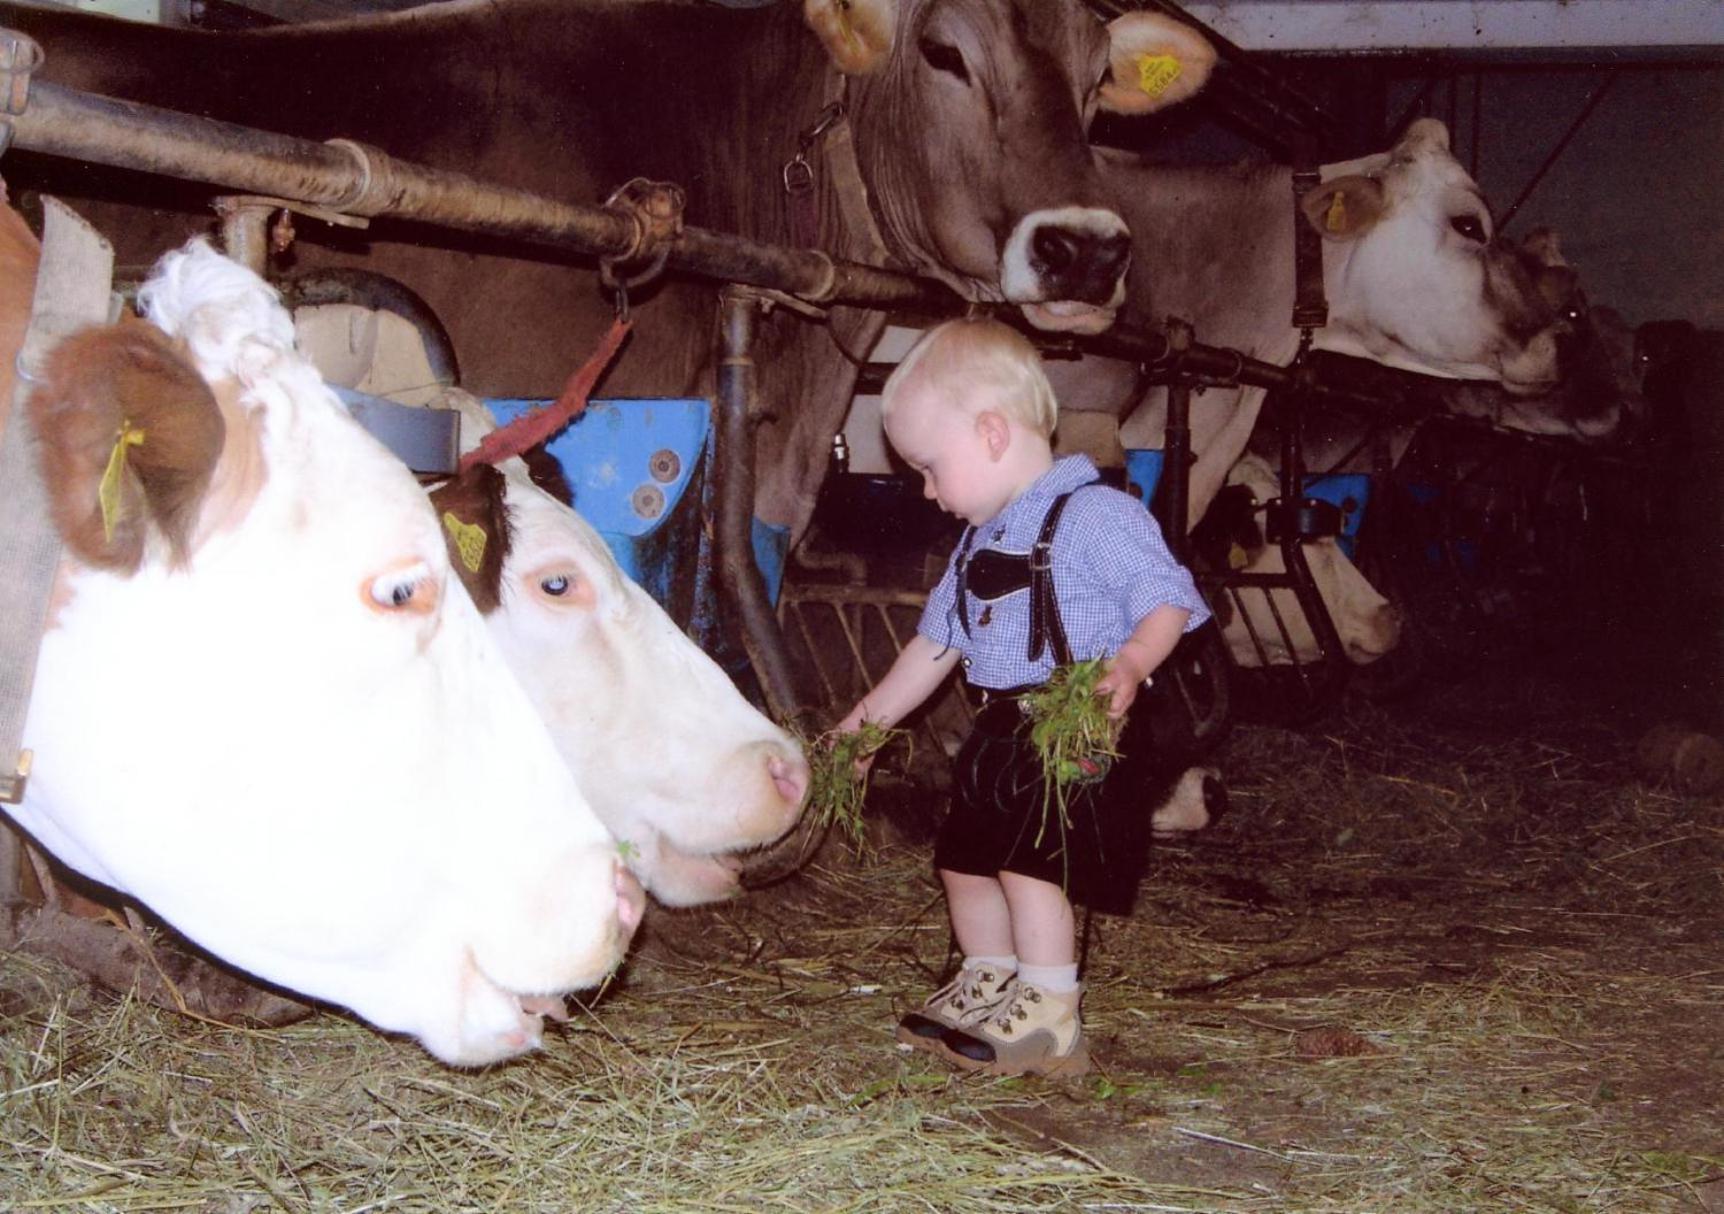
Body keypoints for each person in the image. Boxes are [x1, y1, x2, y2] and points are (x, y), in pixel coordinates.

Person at [835, 317, 1210, 1079]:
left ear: (992, 433)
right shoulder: (978, 541)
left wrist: (1134, 662)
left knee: (1034, 864)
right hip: (1003, 723)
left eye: (931, 468)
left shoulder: (1096, 515)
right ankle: (988, 977)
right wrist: (862, 727)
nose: (930, 492)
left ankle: (1050, 1009)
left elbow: (1167, 597)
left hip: (1081, 720)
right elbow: (934, 647)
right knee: (965, 857)